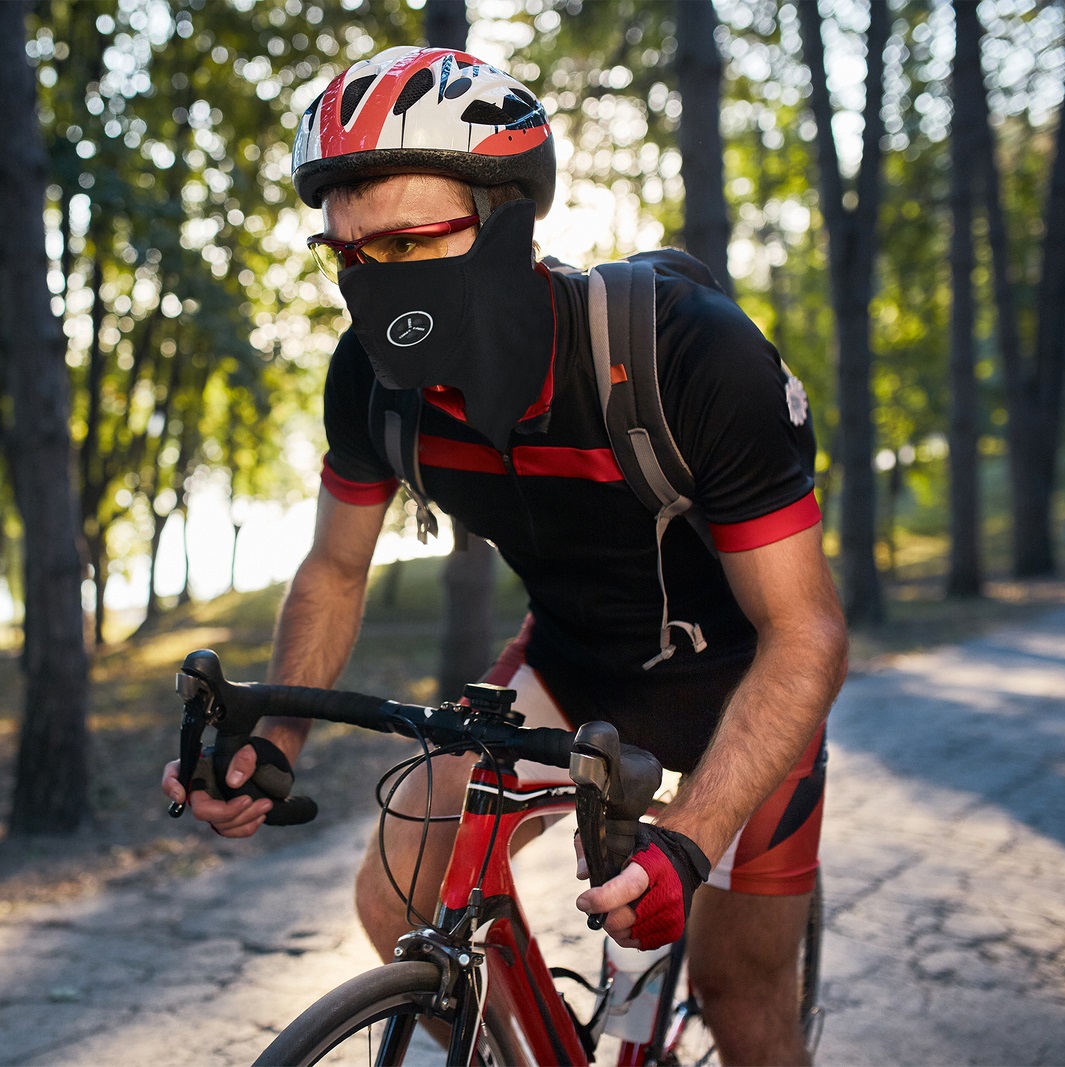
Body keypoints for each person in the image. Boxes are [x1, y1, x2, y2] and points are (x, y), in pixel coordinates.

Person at [162, 45, 848, 1065]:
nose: (370, 279)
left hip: (743, 690)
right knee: (395, 892)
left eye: (404, 242)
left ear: (505, 222)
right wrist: (282, 743)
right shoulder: (371, 385)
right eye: (346, 253)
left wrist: (686, 840)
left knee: (738, 997)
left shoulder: (685, 353)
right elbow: (334, 569)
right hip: (571, 667)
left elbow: (805, 633)